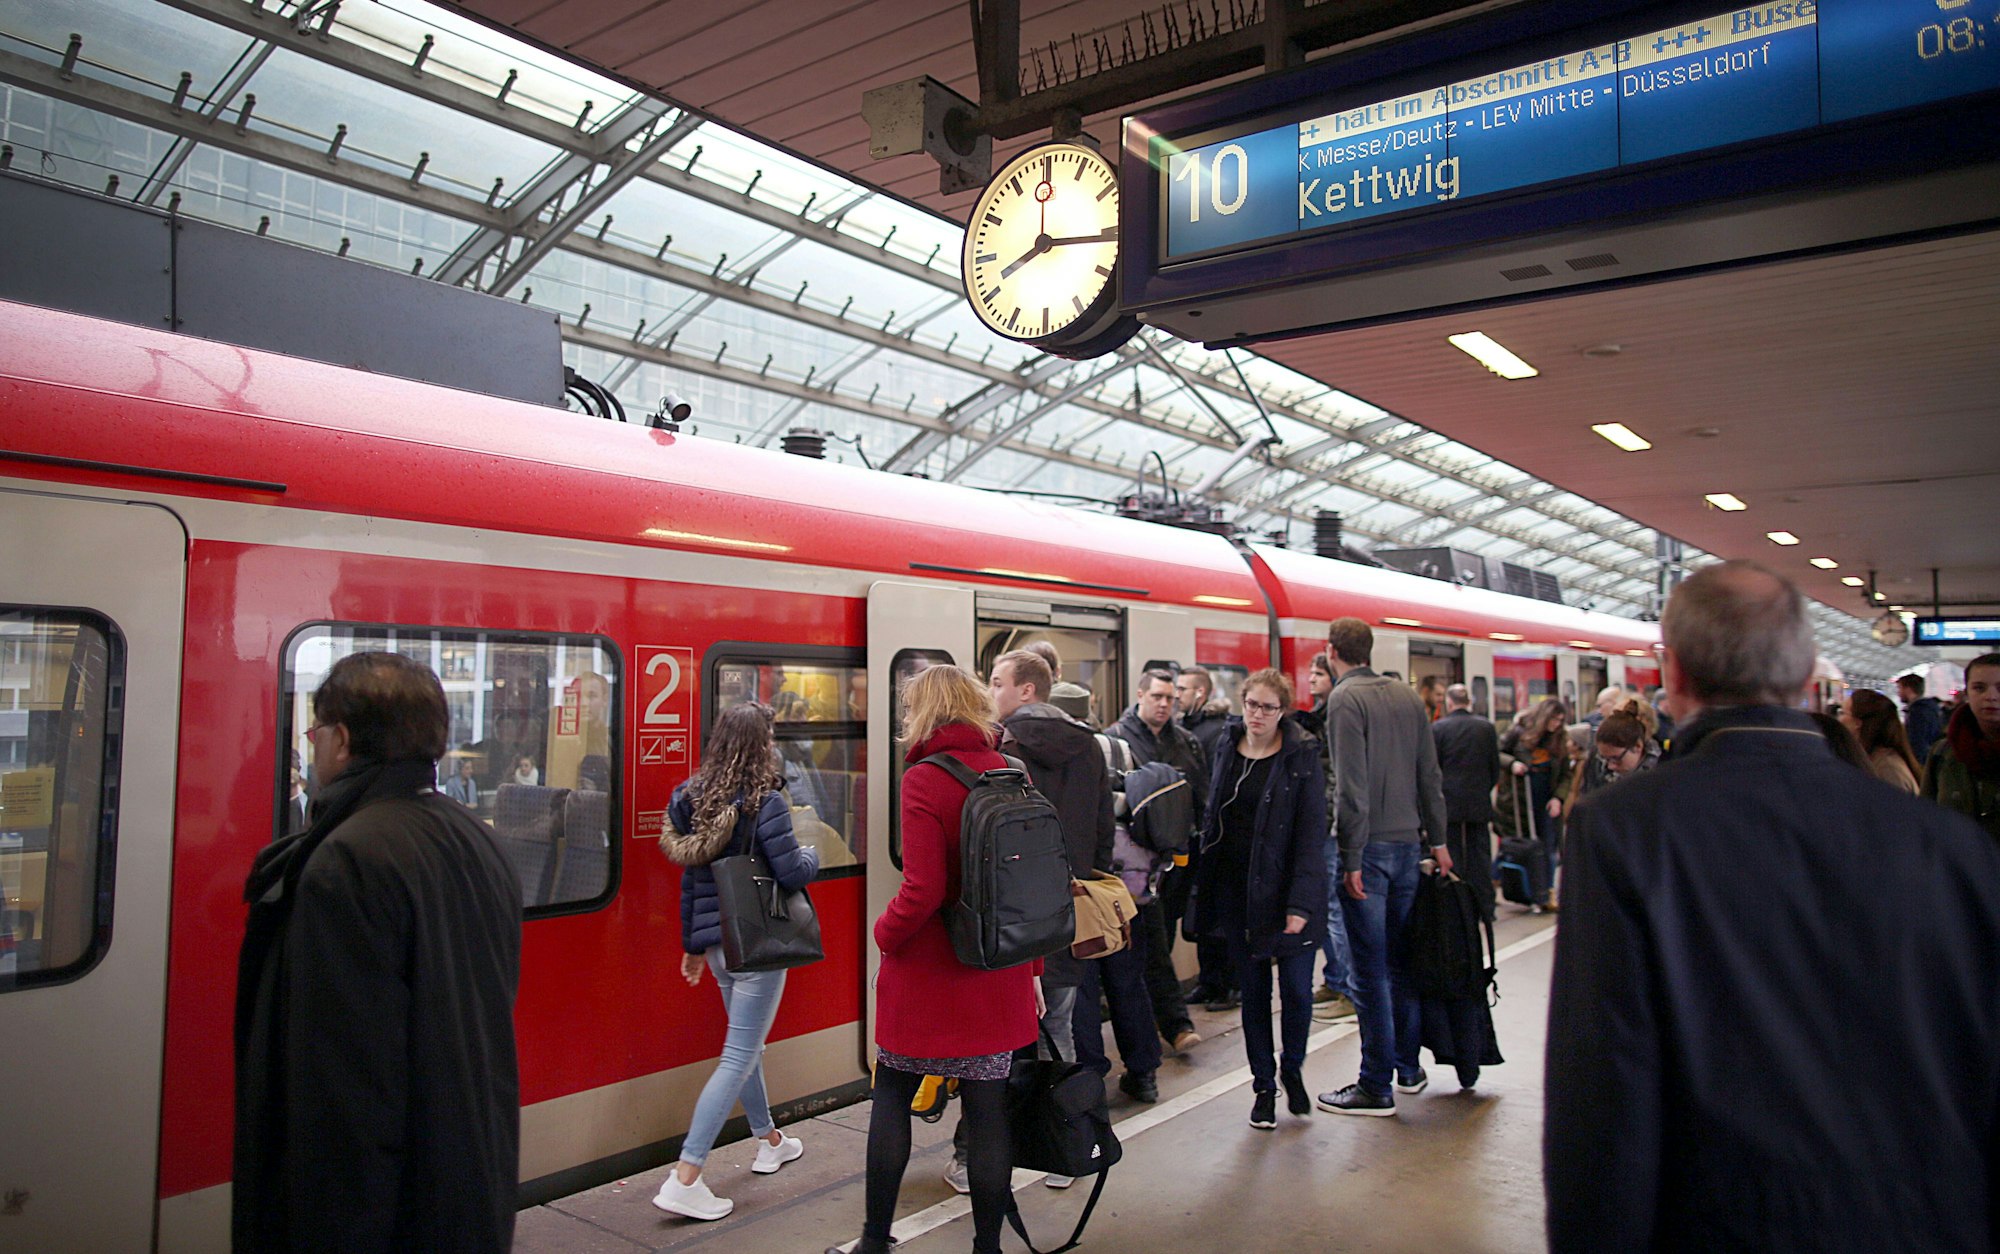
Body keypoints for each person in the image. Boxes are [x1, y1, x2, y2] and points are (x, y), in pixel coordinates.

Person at [1545, 562, 2000, 1251]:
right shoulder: (1955, 846)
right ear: (1801, 680)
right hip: (1927, 1220)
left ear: (1679, 679)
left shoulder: (1625, 830)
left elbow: (1605, 1089)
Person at [234, 652, 521, 1253]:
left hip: (390, 1215)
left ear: (340, 740)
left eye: (315, 735)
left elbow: (345, 1095)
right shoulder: (478, 841)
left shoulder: (346, 861)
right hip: (468, 1181)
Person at [834, 665, 1040, 1254]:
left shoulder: (924, 779)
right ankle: (987, 1246)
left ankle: (875, 1241)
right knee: (987, 1110)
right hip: (996, 969)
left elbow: (922, 891)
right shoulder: (1012, 772)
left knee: (894, 1097)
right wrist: (1032, 971)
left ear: (919, 713)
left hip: (929, 974)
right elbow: (1030, 886)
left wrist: (884, 933)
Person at [940, 649, 1115, 1194]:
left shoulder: (1004, 751)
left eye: (996, 682)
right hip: (1067, 913)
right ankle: (1059, 1144)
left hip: (1013, 919)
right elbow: (1104, 829)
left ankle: (972, 1156)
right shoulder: (1091, 746)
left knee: (995, 1045)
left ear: (1027, 692)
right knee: (1056, 1031)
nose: (990, 692)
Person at [653, 703, 819, 1222]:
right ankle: (687, 1175)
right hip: (757, 944)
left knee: (745, 1049)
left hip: (719, 947)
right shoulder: (763, 802)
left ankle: (769, 1139)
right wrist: (813, 855)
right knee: (736, 1056)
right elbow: (791, 872)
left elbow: (691, 883)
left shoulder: (689, 797)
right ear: (761, 743)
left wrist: (692, 946)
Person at [1316, 618, 1452, 1116]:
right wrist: (1437, 840)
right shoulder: (1407, 697)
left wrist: (1349, 855)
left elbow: (1351, 787)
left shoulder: (1344, 700)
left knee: (1368, 971)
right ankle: (1408, 1068)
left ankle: (1375, 1085)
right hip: (1409, 848)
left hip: (1368, 852)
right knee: (1400, 963)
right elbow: (1429, 776)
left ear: (1332, 652)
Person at [1191, 668, 1327, 1128]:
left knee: (1295, 992)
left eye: (1268, 708)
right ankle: (1263, 1087)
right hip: (1238, 892)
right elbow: (1213, 817)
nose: (1257, 715)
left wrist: (1301, 905)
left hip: (1288, 892)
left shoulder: (1302, 755)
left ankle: (1293, 1067)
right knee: (1253, 994)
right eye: (1251, 704)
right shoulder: (1227, 746)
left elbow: (1311, 836)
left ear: (1283, 711)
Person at [1105, 669, 1204, 1074]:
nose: (1164, 704)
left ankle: (1160, 1033)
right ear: (1140, 695)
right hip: (1135, 868)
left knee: (1156, 945)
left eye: (1171, 698)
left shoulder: (1186, 743)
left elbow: (1201, 795)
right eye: (1158, 696)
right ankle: (1175, 1026)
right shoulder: (1117, 742)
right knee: (1150, 950)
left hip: (1175, 861)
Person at [1174, 664, 1239, 1010]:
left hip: (1216, 835)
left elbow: (1217, 786)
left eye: (1182, 689)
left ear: (1200, 693)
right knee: (1201, 910)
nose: (1176, 695)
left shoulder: (1216, 732)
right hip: (1199, 833)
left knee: (1217, 912)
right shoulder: (1187, 729)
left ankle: (1228, 984)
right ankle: (1209, 980)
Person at [1493, 697, 1573, 912]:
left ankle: (1545, 892)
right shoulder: (1519, 731)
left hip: (1547, 799)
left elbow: (1566, 774)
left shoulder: (1560, 739)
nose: (1556, 725)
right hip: (1520, 799)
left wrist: (1559, 798)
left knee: (1548, 846)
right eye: (1554, 720)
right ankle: (1500, 881)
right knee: (1519, 843)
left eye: (1560, 721)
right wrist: (1513, 764)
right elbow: (1498, 753)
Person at [1431, 683, 1501, 922]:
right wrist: (1483, 790)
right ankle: (1485, 908)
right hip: (1478, 802)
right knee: (1480, 856)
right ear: (1468, 702)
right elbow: (1495, 768)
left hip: (1448, 804)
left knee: (1453, 857)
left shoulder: (1438, 729)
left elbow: (1433, 769)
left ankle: (1458, 909)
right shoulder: (1486, 728)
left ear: (1449, 703)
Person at [1921, 652, 2000, 841]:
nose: (1990, 696)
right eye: (1979, 688)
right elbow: (1926, 819)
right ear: (1967, 693)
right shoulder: (1943, 753)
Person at [1570, 701, 1661, 804]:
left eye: (1616, 759)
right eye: (1605, 759)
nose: (1610, 766)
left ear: (1637, 746)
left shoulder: (1663, 771)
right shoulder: (1596, 766)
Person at [1840, 688, 1923, 794]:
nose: (1839, 719)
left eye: (1843, 713)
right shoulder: (1877, 759)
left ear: (1857, 723)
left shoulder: (1887, 769)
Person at [1899, 672, 1947, 768]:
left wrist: (1918, 767)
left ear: (1908, 689)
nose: (1898, 692)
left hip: (1923, 764)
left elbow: (1917, 743)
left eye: (1900, 688)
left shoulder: (1917, 712)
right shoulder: (1930, 708)